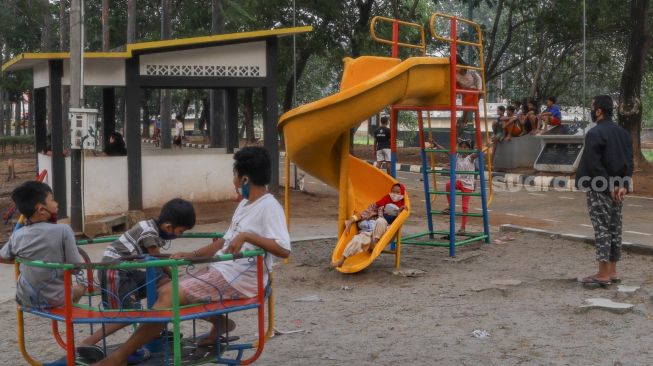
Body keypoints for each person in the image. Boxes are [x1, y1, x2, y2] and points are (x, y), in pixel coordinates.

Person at [95, 146, 291, 366]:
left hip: (240, 279)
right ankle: (220, 324)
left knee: (168, 296)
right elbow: (224, 243)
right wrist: (190, 255)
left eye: (235, 176)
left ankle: (118, 358)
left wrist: (248, 236)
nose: (233, 182)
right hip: (223, 271)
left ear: (244, 178)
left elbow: (284, 249)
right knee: (164, 288)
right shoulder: (245, 205)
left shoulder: (269, 207)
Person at [76, 198, 196, 363]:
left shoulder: (152, 226)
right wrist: (175, 273)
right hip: (115, 271)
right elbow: (157, 259)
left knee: (164, 284)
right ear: (169, 227)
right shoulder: (149, 232)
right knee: (128, 314)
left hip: (129, 271)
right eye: (181, 231)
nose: (180, 235)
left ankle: (155, 326)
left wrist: (173, 279)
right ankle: (90, 342)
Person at [575, 95, 633, 286]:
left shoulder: (595, 133)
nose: (592, 110)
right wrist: (622, 186)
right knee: (615, 228)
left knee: (602, 229)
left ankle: (602, 274)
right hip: (618, 190)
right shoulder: (623, 134)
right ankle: (613, 271)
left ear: (599, 111)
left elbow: (594, 164)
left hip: (600, 189)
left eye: (592, 107)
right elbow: (628, 162)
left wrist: (607, 186)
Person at [0, 181, 85, 309]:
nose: (57, 203)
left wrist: (25, 260)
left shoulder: (17, 234)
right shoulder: (63, 230)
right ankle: (69, 318)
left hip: (24, 299)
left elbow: (2, 256)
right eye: (52, 200)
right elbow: (76, 268)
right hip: (54, 301)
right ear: (41, 209)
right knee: (81, 287)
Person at [443, 139, 478, 234]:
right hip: (459, 182)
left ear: (469, 149)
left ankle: (463, 228)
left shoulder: (471, 157)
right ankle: (450, 206)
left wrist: (485, 146)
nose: (463, 149)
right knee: (448, 185)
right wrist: (436, 144)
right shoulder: (457, 156)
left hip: (468, 184)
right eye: (461, 147)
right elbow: (446, 152)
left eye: (465, 147)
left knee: (465, 207)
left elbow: (478, 153)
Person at [455, 55, 483, 138]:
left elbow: (478, 79)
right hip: (464, 91)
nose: (456, 69)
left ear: (461, 64)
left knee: (467, 107)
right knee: (466, 107)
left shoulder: (470, 71)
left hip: (473, 89)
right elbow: (455, 84)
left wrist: (479, 89)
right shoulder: (455, 74)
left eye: (457, 65)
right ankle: (463, 121)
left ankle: (463, 122)